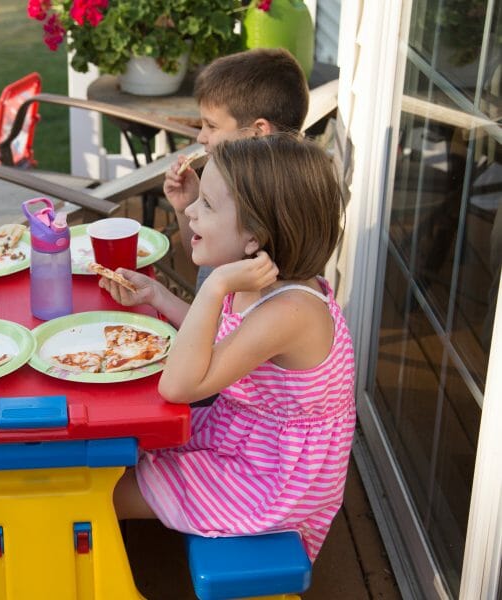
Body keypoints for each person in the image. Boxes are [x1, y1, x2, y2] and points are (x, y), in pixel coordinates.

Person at [103, 135, 355, 562]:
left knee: (101, 496)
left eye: (207, 205)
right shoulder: (264, 283)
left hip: (271, 481)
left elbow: (179, 387)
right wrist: (158, 298)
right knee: (116, 452)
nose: (188, 211)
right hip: (242, 438)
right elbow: (222, 340)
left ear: (255, 237)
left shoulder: (289, 311)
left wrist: (213, 288)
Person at [163, 48, 309, 292]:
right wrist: (186, 204)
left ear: (257, 131)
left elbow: (219, 326)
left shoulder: (267, 211)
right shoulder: (228, 183)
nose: (201, 136)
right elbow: (206, 258)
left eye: (211, 126)